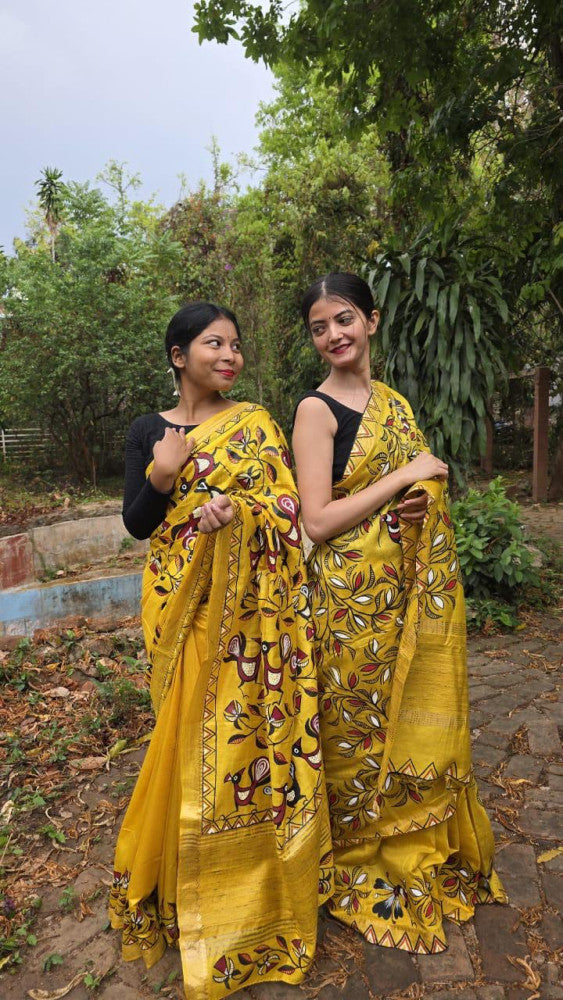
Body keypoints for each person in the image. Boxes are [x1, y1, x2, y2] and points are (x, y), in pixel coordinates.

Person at [109, 302, 333, 1000]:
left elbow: (290, 509)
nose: (229, 355)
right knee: (183, 740)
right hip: (181, 607)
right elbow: (138, 525)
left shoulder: (257, 423)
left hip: (250, 615)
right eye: (213, 343)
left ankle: (254, 883)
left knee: (242, 747)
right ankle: (181, 879)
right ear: (180, 356)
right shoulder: (151, 430)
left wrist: (239, 515)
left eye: (235, 345)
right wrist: (163, 474)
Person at [292, 273, 505, 954]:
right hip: (345, 599)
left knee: (399, 720)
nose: (334, 336)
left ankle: (407, 843)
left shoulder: (393, 402)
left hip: (401, 593)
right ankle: (356, 858)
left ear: (372, 321)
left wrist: (414, 503)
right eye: (320, 327)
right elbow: (319, 519)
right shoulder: (314, 411)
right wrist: (402, 476)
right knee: (353, 728)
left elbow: (410, 493)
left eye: (344, 319)